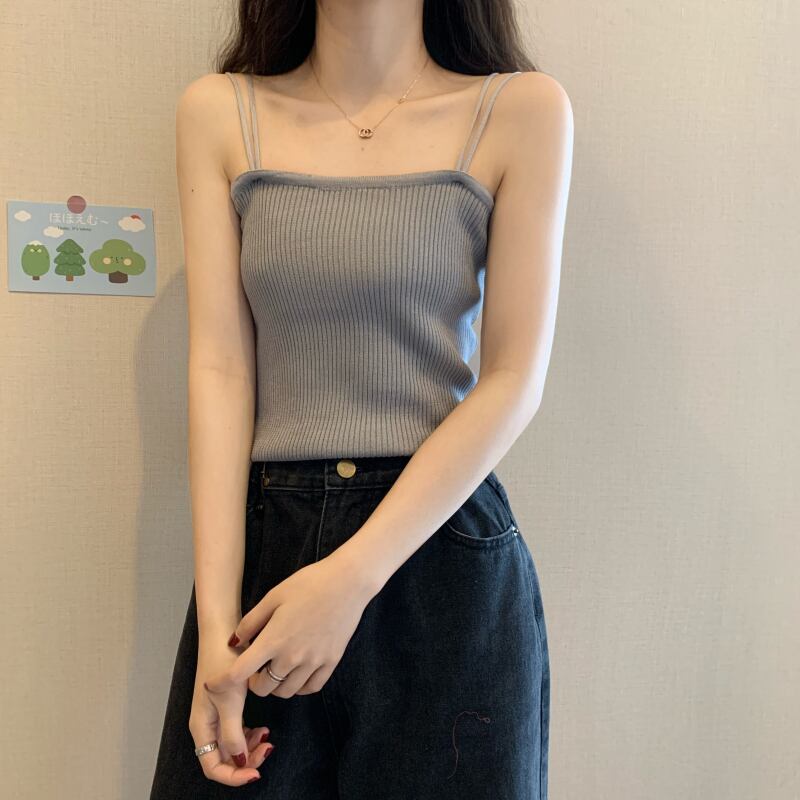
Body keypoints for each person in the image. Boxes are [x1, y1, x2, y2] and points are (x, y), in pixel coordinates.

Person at [150, 1, 572, 797]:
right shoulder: (220, 112)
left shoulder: (521, 110)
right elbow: (221, 369)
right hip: (268, 551)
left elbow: (514, 378)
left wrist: (350, 577)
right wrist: (215, 632)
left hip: (439, 551)